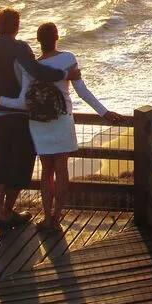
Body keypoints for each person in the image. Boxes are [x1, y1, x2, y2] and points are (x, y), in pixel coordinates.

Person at [0, 9, 70, 232]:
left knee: (1, 161)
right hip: (20, 115)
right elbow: (36, 71)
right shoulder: (20, 48)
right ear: (17, 27)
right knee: (21, 163)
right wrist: (64, 75)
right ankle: (8, 211)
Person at [21, 20, 113, 232]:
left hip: (39, 122)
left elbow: (24, 98)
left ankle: (45, 218)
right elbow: (82, 91)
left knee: (46, 171)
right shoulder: (67, 58)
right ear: (56, 37)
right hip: (62, 119)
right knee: (62, 170)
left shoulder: (32, 67)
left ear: (38, 41)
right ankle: (56, 217)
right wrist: (104, 112)